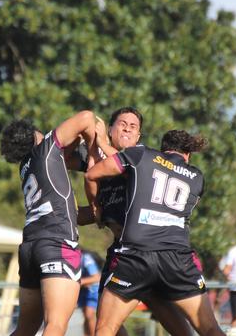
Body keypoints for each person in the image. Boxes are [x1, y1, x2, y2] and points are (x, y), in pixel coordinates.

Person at [86, 130, 224, 336]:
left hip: (136, 255)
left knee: (106, 328)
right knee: (211, 330)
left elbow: (92, 173)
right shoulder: (197, 177)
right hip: (177, 260)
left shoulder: (142, 154)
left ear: (163, 148)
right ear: (188, 155)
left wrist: (97, 208)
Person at [80, 107, 193, 336]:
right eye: (122, 123)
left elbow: (121, 166)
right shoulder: (98, 157)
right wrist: (56, 214)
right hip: (124, 254)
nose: (127, 129)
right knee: (106, 324)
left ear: (139, 137)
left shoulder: (144, 157)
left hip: (150, 252)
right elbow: (73, 166)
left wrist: (100, 141)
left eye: (133, 127)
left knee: (178, 326)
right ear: (111, 128)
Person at [0, 110, 98, 336]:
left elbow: (75, 215)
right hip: (56, 243)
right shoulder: (45, 147)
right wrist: (94, 153)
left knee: (25, 329)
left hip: (31, 247)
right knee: (55, 324)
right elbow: (86, 117)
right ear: (34, 136)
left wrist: (100, 213)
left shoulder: (25, 167)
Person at [78, 249, 102, 336]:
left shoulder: (86, 257)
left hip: (93, 290)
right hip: (83, 290)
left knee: (89, 314)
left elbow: (97, 277)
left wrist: (76, 282)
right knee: (86, 316)